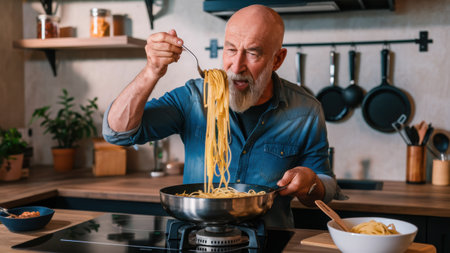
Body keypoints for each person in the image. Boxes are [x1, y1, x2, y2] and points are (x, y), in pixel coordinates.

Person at [103, 4, 338, 228]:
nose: (237, 66)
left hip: (269, 237)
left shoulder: (306, 111)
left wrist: (310, 182)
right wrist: (152, 70)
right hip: (196, 236)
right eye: (231, 49)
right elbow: (118, 133)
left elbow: (325, 184)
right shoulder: (194, 97)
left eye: (253, 53)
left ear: (277, 59)